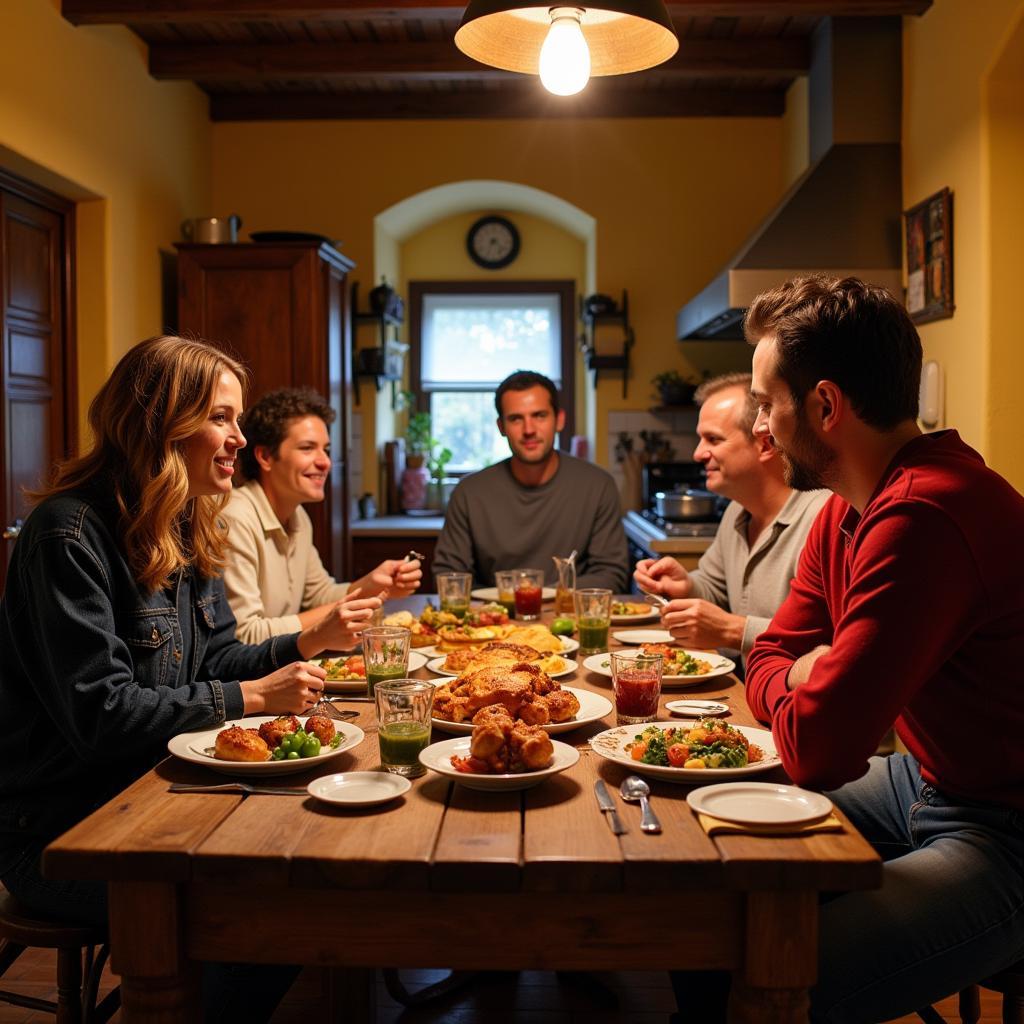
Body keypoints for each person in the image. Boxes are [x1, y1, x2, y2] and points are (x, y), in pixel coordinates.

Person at [0, 336, 379, 1019]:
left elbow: (219, 658)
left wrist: (301, 644)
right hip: (63, 832)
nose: (239, 437)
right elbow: (103, 717)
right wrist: (250, 697)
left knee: (313, 873)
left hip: (160, 795)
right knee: (265, 919)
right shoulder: (68, 536)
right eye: (221, 418)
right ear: (158, 422)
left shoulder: (184, 521)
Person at [716, 275, 1024, 1022]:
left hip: (1009, 830)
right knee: (708, 876)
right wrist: (794, 669)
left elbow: (817, 746)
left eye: (766, 403)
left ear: (824, 406)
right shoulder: (848, 510)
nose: (761, 428)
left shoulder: (925, 514)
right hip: (919, 778)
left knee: (784, 975)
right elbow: (776, 654)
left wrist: (790, 673)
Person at [633, 372, 827, 661]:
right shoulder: (738, 510)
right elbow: (716, 590)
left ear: (765, 443)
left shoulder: (822, 517)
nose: (698, 454)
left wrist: (734, 631)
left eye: (713, 439)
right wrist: (686, 586)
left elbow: (828, 643)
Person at [219, 387, 421, 643]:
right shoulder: (235, 518)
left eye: (325, 449)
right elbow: (245, 635)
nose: (325, 461)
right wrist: (337, 615)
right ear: (265, 456)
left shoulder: (298, 516)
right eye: (307, 448)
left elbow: (318, 595)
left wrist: (371, 585)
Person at [433, 370, 629, 591]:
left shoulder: (598, 486)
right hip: (492, 620)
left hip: (571, 618)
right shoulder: (469, 492)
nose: (529, 430)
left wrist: (540, 597)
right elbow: (448, 577)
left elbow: (612, 575)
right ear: (501, 427)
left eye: (539, 415)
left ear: (559, 420)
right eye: (516, 418)